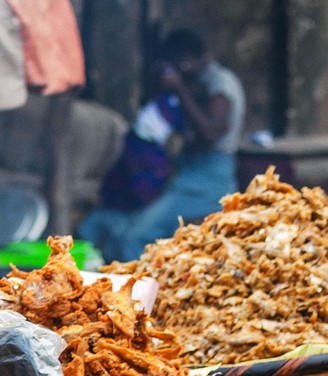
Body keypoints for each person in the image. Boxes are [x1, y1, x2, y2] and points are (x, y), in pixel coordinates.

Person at [79, 28, 247, 262]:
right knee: (112, 221)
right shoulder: (199, 82)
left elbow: (210, 132)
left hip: (208, 177)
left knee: (138, 235)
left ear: (186, 60)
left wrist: (179, 88)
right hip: (187, 171)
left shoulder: (220, 82)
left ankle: (135, 291)